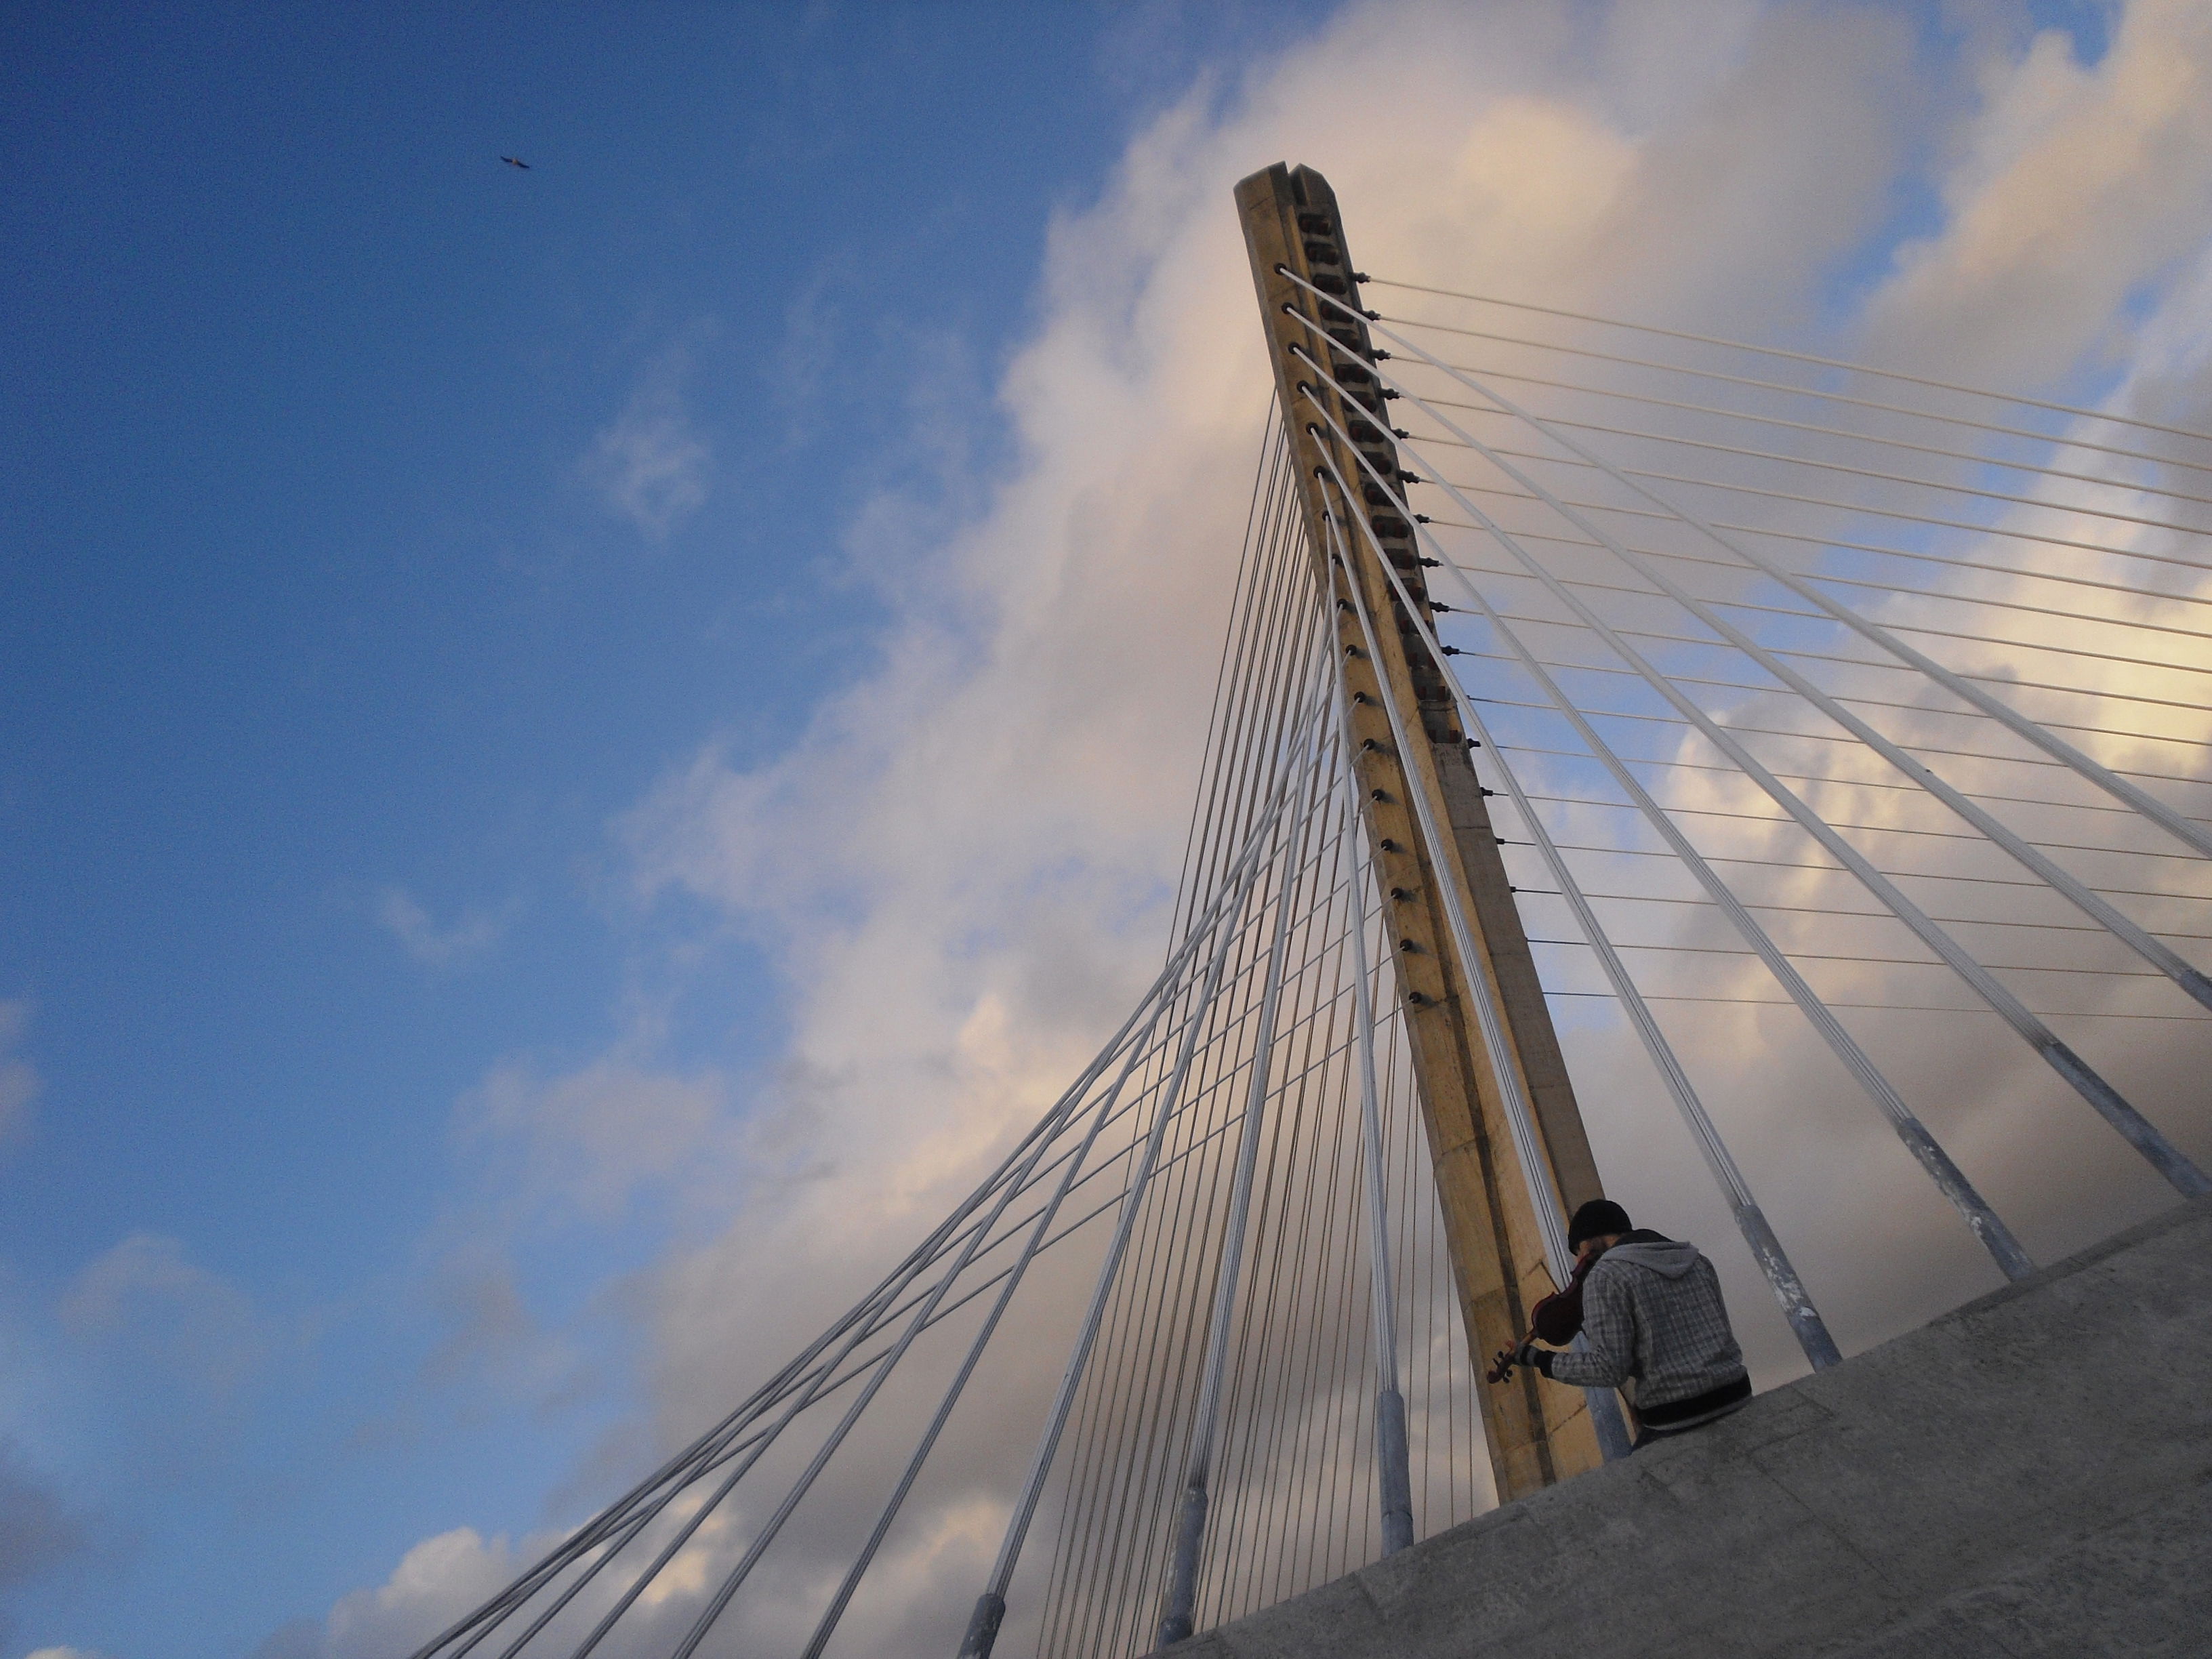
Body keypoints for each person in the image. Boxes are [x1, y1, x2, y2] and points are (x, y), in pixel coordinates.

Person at [1514, 1199, 1753, 1448]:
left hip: (1677, 1413)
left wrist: (1538, 1359)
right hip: (1736, 1393)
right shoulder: (1699, 1261)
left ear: (1593, 1240)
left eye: (1579, 1250)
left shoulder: (1605, 1275)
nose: (1579, 1261)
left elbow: (1608, 1369)